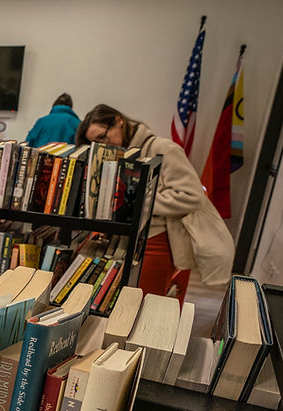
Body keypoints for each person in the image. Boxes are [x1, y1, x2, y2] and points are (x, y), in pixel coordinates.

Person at [76, 104, 208, 303]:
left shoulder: (162, 148)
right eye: (95, 143)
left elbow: (193, 196)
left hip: (155, 241)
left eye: (103, 137)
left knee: (145, 304)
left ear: (118, 121)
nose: (103, 145)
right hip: (124, 239)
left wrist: (139, 203)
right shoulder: (117, 152)